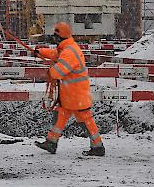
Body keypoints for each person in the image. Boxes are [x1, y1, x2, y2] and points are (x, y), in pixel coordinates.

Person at [33, 22, 105, 157]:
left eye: (55, 36)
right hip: (72, 95)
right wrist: (40, 52)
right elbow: (55, 54)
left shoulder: (69, 52)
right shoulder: (66, 48)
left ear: (60, 37)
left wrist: (50, 71)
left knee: (86, 120)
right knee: (60, 115)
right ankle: (51, 142)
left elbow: (58, 72)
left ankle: (98, 146)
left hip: (76, 94)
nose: (54, 39)